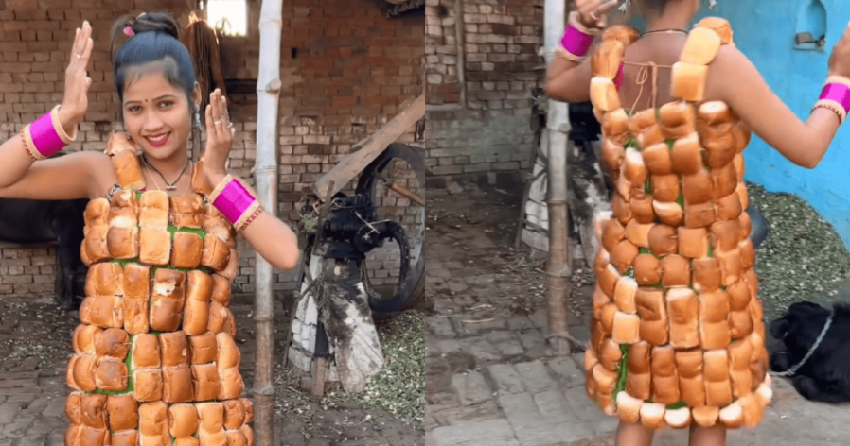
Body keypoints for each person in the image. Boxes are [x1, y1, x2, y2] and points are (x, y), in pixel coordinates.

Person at [546, 1, 850, 446]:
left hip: (635, 268)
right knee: (709, 407)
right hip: (706, 271)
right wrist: (840, 78)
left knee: (638, 400)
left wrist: (577, 29)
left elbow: (554, 82)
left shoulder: (610, 59)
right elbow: (806, 148)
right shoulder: (718, 61)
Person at [0, 12, 300, 272]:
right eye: (136, 109)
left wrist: (219, 177)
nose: (152, 123)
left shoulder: (217, 187)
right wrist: (61, 120)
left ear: (194, 96)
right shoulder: (102, 173)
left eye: (165, 104)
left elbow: (287, 255)